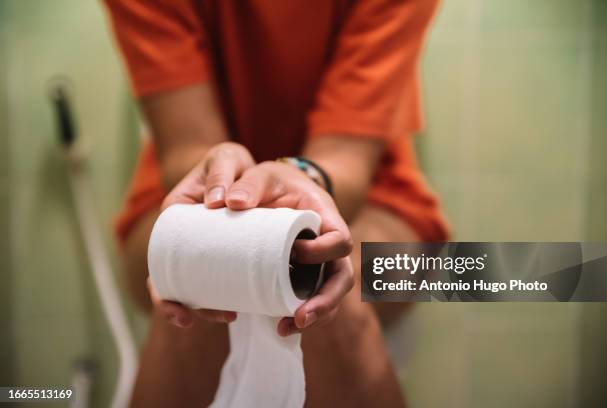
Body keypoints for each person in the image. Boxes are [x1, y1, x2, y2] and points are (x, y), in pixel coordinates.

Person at [103, 0, 449, 406]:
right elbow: (188, 146)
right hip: (200, 191)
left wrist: (301, 177)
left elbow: (346, 160)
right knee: (207, 274)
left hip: (371, 198)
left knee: (317, 283)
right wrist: (222, 197)